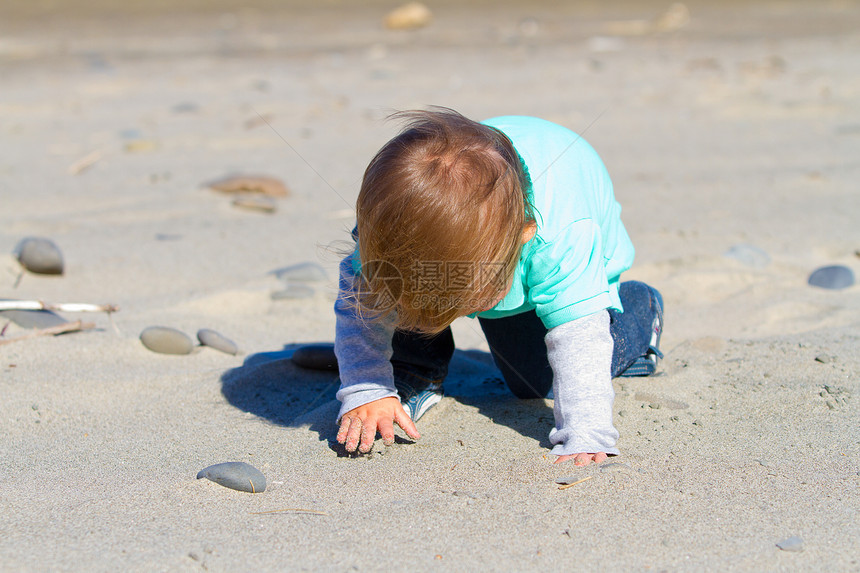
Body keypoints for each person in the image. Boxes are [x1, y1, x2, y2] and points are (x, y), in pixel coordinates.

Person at [333, 108, 663, 466]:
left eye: (467, 295)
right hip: (469, 234)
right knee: (408, 293)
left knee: (536, 382)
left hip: (564, 264)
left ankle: (640, 309)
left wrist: (587, 431)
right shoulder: (391, 224)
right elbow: (362, 305)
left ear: (523, 238)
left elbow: (579, 335)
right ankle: (413, 368)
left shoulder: (560, 240)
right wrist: (367, 385)